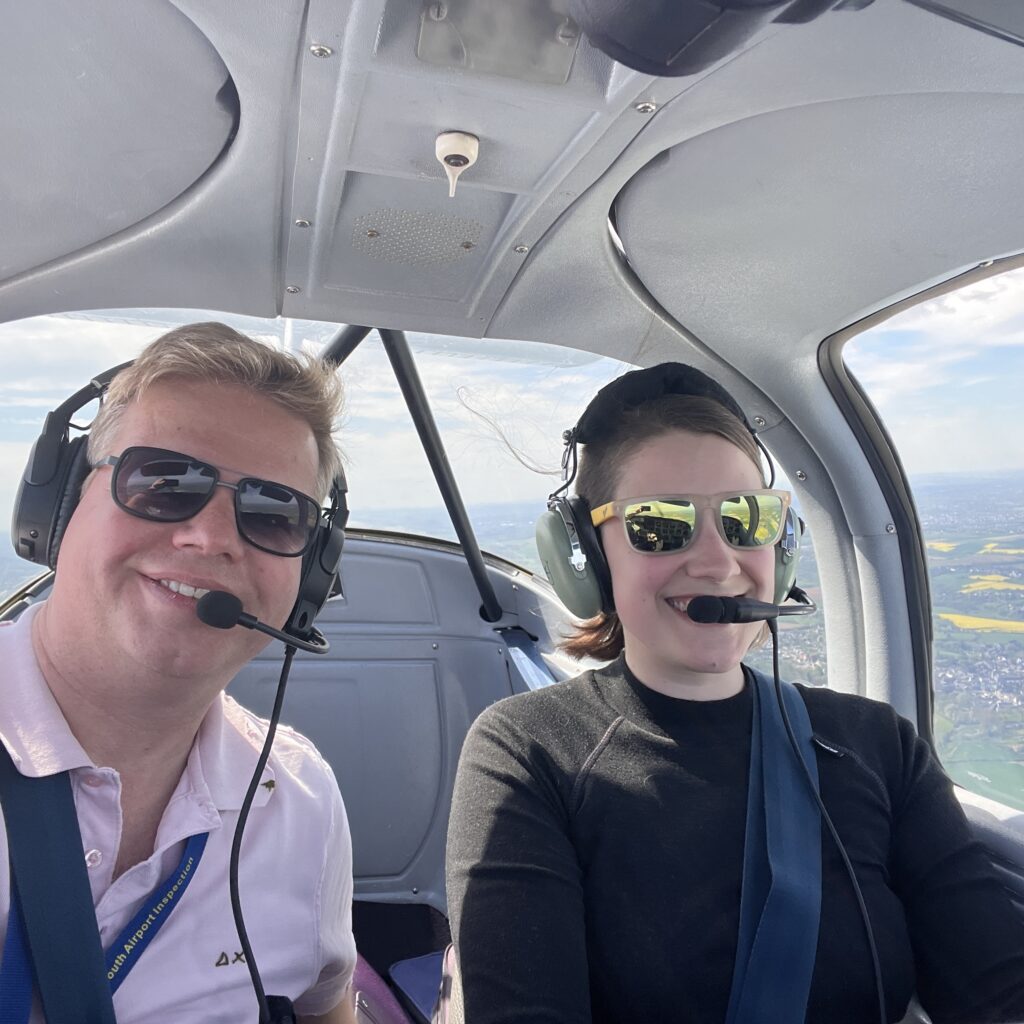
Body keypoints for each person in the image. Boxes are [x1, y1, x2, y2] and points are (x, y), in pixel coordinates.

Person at [445, 363, 1024, 1024]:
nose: (719, 563)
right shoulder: (528, 751)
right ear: (588, 557)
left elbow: (999, 991)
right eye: (660, 525)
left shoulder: (879, 744)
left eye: (747, 520)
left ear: (782, 545)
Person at [0, 323, 357, 1022]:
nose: (211, 538)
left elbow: (326, 1007)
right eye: (163, 482)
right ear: (62, 506)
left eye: (273, 512)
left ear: (310, 575)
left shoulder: (300, 801)